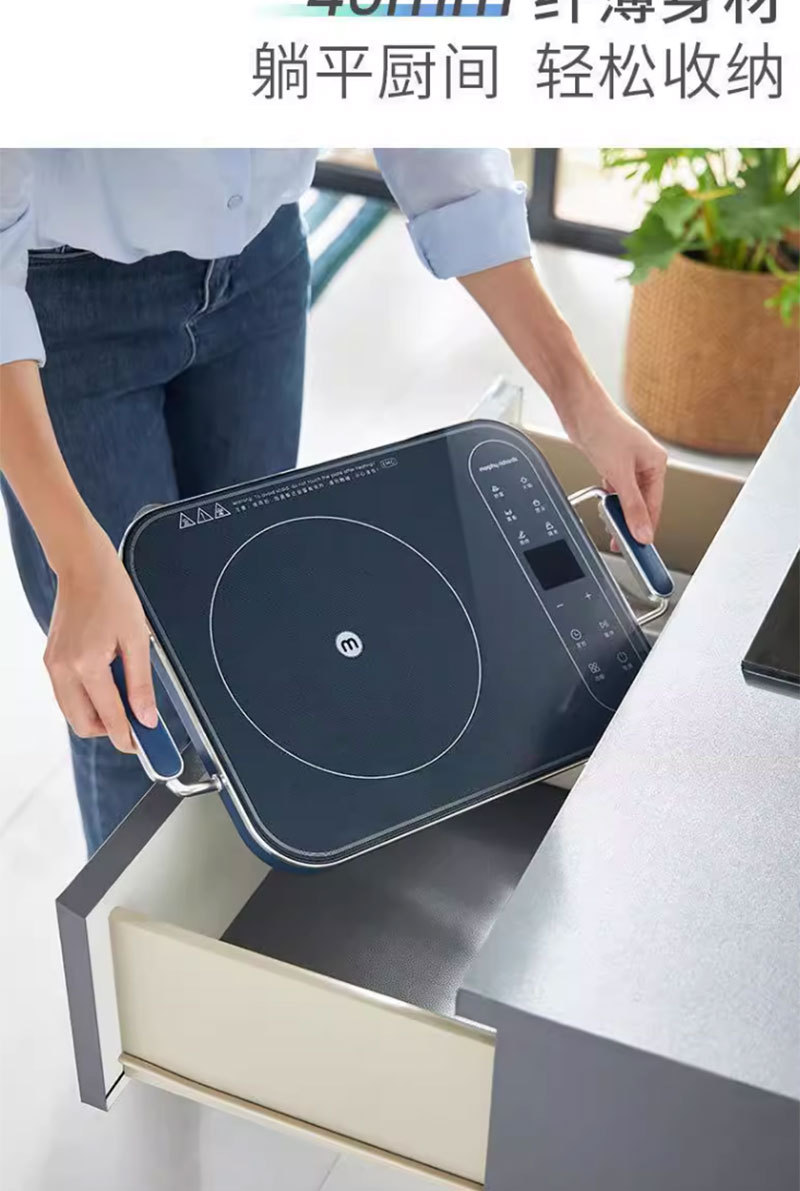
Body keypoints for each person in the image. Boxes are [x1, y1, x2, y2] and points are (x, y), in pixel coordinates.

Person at [0, 149, 667, 853]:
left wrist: (584, 403)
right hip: (59, 297)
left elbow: (438, 148)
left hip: (260, 261)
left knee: (255, 636)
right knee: (131, 694)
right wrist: (77, 557)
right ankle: (131, 919)